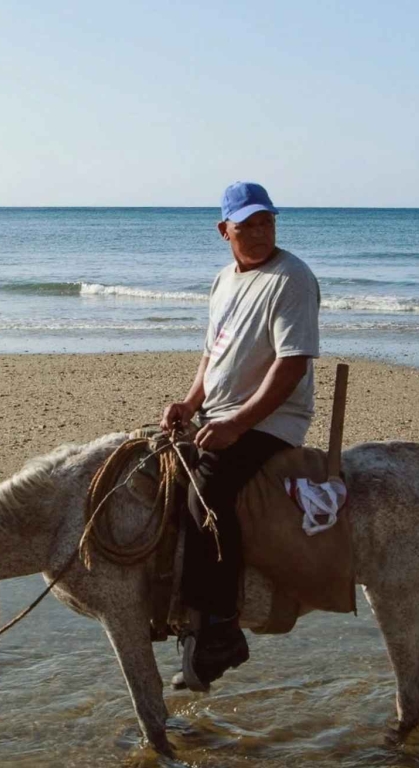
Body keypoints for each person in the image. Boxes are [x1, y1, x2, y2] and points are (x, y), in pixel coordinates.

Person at [160, 181, 321, 691]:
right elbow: (214, 354)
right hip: (220, 412)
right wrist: (190, 403)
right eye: (247, 224)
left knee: (207, 490)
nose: (257, 232)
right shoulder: (223, 281)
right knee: (154, 473)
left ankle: (224, 628)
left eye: (266, 221)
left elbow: (292, 365)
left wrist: (237, 424)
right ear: (223, 229)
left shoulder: (290, 278)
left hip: (273, 421)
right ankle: (179, 616)